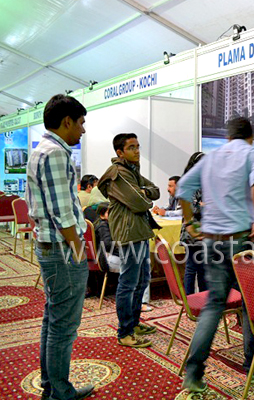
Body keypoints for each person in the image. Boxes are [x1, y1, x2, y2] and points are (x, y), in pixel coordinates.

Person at [176, 117, 254, 394]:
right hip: (239, 240)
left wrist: (189, 222)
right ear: (250, 137)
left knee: (214, 305)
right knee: (251, 302)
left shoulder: (211, 158)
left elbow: (183, 188)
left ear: (228, 137)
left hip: (211, 241)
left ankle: (194, 371)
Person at [26, 94, 94, 400]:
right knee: (64, 325)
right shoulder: (55, 153)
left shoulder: (41, 150)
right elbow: (62, 211)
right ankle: (60, 392)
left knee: (53, 318)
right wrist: (79, 250)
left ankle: (51, 385)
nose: (83, 130)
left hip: (51, 246)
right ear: (67, 121)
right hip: (63, 250)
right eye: (80, 123)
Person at [98, 133, 160, 348]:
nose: (137, 151)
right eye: (131, 147)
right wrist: (145, 198)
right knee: (129, 283)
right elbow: (141, 203)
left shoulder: (132, 170)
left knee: (142, 280)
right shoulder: (119, 173)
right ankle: (124, 332)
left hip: (139, 231)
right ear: (120, 152)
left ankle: (133, 324)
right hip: (129, 233)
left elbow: (155, 191)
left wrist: (144, 193)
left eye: (138, 146)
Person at [178, 152, 206, 295]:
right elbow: (192, 208)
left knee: (201, 269)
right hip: (192, 233)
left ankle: (201, 297)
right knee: (192, 268)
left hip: (200, 231)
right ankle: (189, 299)